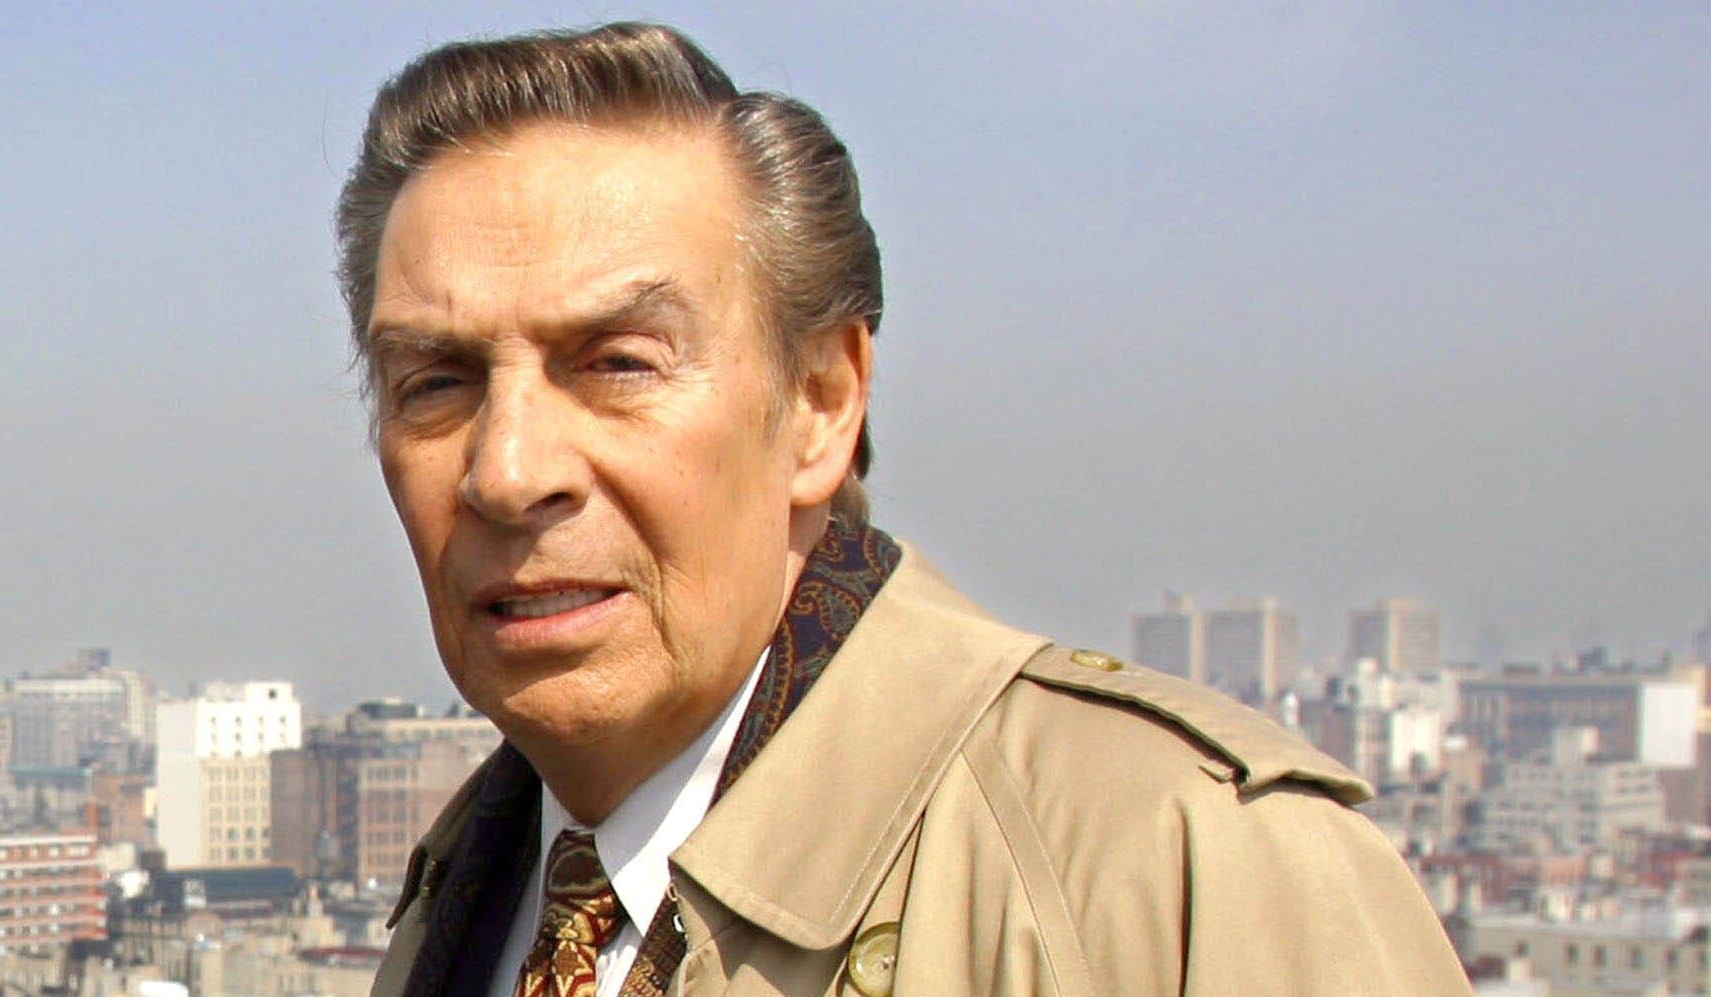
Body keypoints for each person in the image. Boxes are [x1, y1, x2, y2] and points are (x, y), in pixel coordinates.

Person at [338, 22, 1470, 997]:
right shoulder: (470, 903)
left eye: (618, 363)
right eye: (434, 382)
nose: (507, 469)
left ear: (821, 404)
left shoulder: (1167, 872)